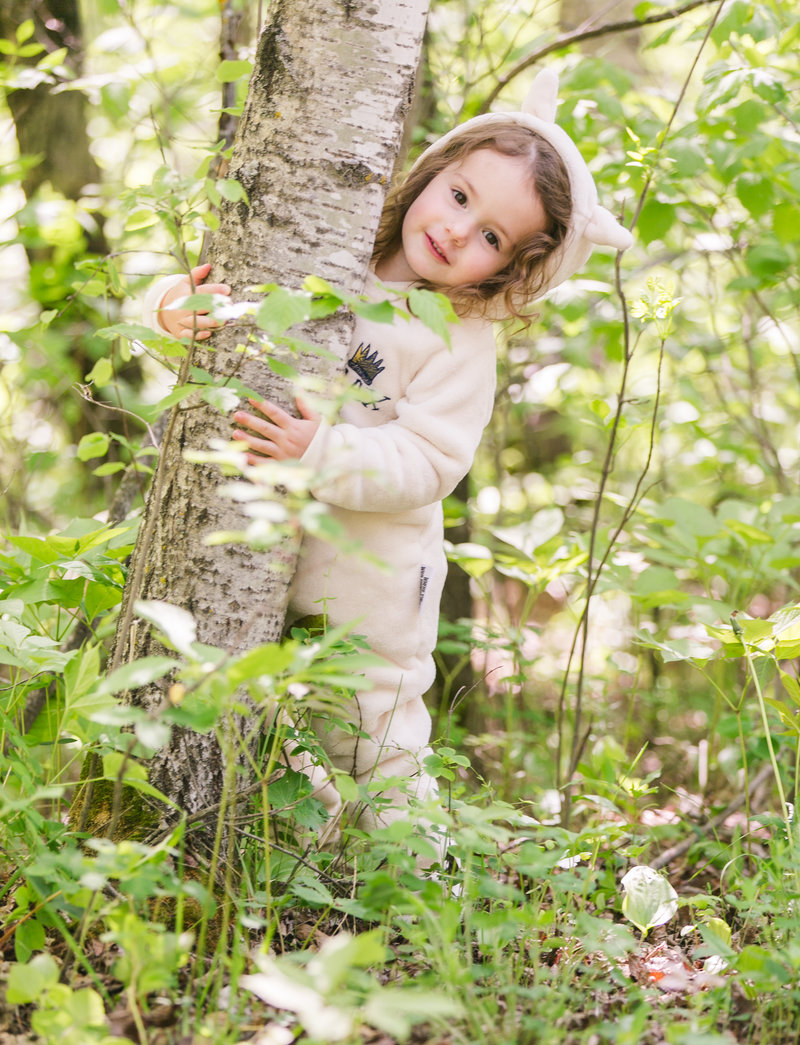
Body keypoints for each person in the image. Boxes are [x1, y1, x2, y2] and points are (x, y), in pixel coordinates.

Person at [141, 68, 633, 854]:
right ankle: (319, 863)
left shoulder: (458, 337)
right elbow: (230, 304)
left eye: (492, 240)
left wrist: (323, 451)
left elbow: (432, 460)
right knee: (264, 720)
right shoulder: (334, 246)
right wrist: (171, 307)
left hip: (374, 584)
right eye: (462, 197)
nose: (457, 232)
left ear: (507, 271)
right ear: (435, 169)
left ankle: (420, 881)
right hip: (269, 560)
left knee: (378, 744)